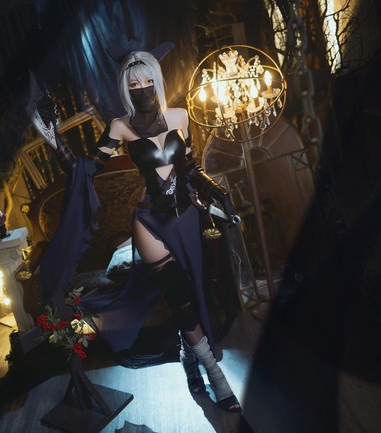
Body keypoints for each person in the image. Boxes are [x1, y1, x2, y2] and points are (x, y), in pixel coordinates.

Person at [27, 44, 242, 413]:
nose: (141, 88)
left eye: (146, 80)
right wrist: (53, 138)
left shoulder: (180, 116)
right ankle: (215, 375)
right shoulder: (120, 127)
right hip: (150, 225)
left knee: (192, 296)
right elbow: (85, 169)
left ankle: (188, 359)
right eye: (133, 83)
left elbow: (190, 167)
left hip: (187, 220)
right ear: (125, 88)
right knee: (180, 297)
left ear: (156, 80)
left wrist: (217, 194)